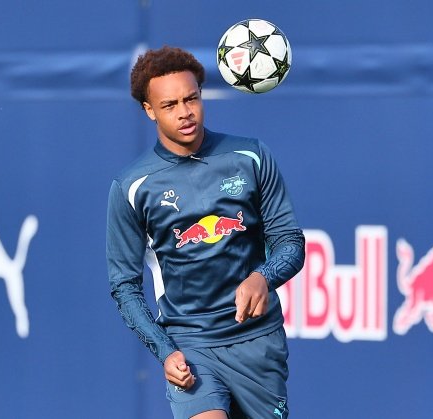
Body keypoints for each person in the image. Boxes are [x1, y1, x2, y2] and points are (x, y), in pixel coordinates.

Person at [106, 46, 305, 419]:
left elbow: (290, 243)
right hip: (191, 345)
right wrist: (166, 351)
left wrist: (263, 277)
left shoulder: (250, 156)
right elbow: (124, 286)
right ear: (149, 110)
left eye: (191, 98)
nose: (184, 112)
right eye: (169, 105)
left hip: (257, 342)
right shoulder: (132, 186)